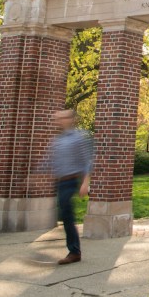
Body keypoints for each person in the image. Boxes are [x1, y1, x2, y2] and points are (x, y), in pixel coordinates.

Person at [48, 109, 94, 265]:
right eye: (57, 118)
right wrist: (34, 176)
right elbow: (50, 160)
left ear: (71, 119)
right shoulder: (58, 139)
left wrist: (85, 183)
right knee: (65, 214)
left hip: (70, 181)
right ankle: (74, 250)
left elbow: (87, 161)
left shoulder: (78, 138)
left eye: (63, 117)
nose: (59, 120)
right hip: (60, 181)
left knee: (66, 214)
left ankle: (74, 251)